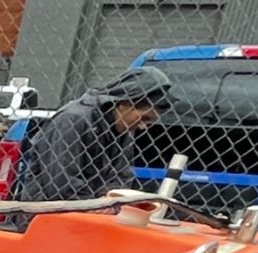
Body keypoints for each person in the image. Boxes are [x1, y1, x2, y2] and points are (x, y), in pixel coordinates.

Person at [16, 66, 174, 203]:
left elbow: (121, 177)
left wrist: (111, 199)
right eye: (144, 118)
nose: (143, 126)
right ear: (124, 104)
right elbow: (62, 184)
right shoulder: (73, 119)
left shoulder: (123, 127)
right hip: (48, 215)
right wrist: (101, 205)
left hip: (90, 212)